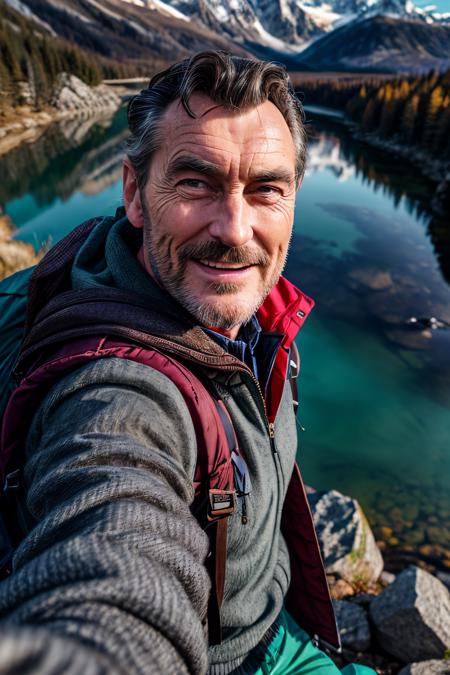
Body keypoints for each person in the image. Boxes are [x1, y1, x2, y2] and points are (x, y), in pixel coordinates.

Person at [0, 51, 375, 675]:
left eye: (266, 191)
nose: (234, 228)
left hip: (272, 620)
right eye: (196, 183)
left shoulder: (250, 311)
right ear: (135, 193)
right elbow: (116, 541)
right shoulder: (116, 388)